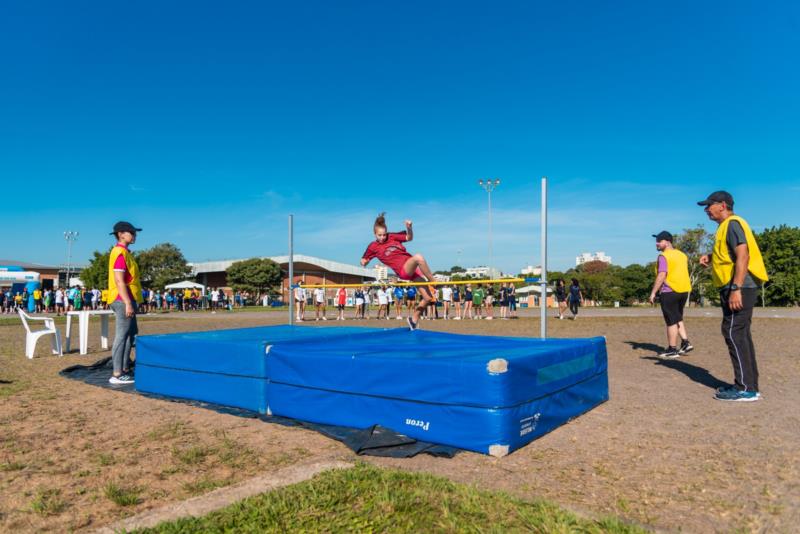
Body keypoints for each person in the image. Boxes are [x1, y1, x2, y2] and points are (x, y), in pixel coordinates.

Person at [698, 191, 768, 402]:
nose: (706, 209)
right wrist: (711, 257)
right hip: (736, 285)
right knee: (740, 332)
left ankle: (745, 388)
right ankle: (748, 385)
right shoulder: (725, 228)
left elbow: (743, 254)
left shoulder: (732, 224)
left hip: (740, 286)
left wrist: (736, 288)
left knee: (733, 331)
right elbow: (730, 253)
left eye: (709, 205)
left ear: (723, 205)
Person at [361, 213, 437, 331]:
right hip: (403, 271)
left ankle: (413, 319)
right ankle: (434, 282)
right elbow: (363, 260)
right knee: (419, 257)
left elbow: (409, 238)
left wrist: (409, 228)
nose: (382, 237)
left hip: (413, 270)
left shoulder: (392, 237)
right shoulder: (373, 246)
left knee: (428, 298)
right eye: (379, 235)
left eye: (384, 234)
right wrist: (364, 262)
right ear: (374, 234)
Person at [107, 221, 143, 385]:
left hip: (126, 298)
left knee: (129, 335)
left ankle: (124, 369)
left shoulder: (125, 252)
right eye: (132, 233)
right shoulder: (120, 253)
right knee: (121, 336)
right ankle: (116, 373)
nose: (135, 235)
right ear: (121, 234)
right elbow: (119, 281)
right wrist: (128, 303)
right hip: (122, 299)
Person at [648, 231, 694, 359]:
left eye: (659, 241)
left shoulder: (664, 256)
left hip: (670, 290)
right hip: (684, 290)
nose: (656, 243)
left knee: (671, 321)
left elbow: (662, 274)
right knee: (677, 317)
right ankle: (685, 343)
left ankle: (672, 349)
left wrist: (653, 292)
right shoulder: (682, 255)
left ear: (667, 242)